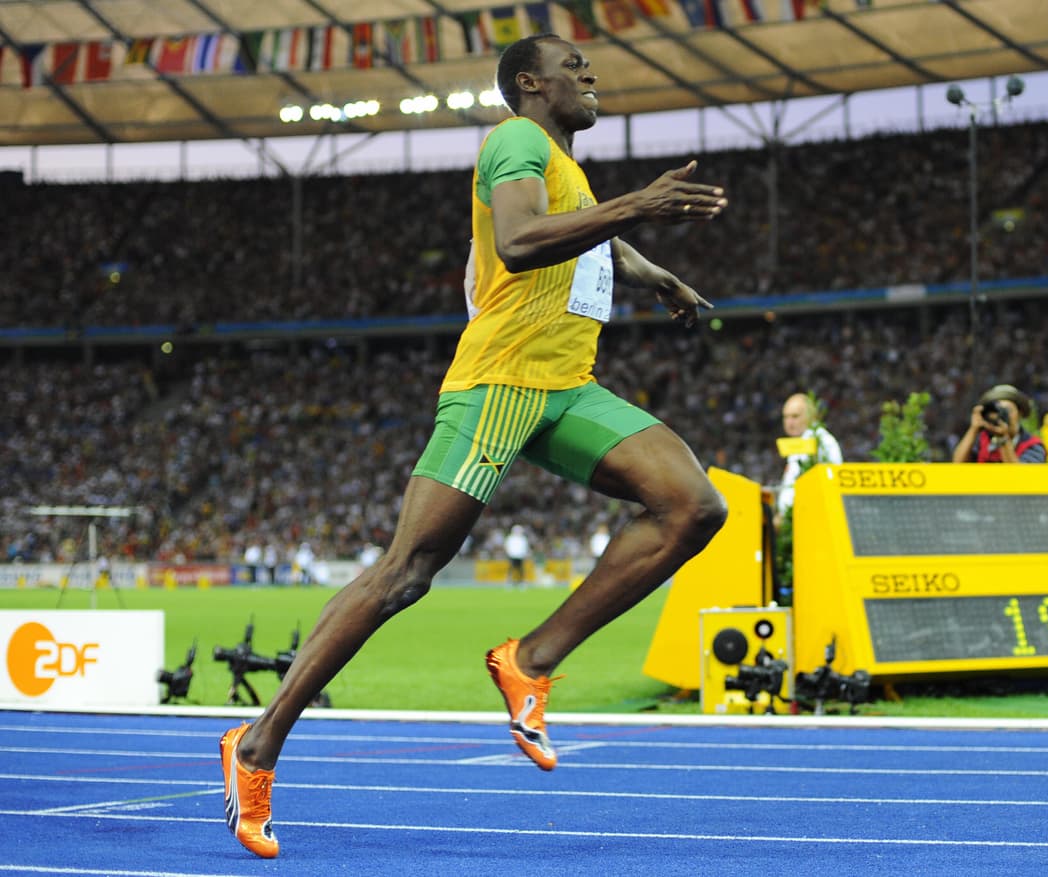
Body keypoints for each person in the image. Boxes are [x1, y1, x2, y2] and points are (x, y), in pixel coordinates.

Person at [218, 33, 729, 859]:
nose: (590, 74)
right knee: (404, 574)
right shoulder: (515, 140)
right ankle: (256, 742)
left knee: (692, 505)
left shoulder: (561, 164)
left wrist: (654, 272)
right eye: (572, 67)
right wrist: (638, 203)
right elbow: (521, 240)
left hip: (567, 388)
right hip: (501, 382)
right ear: (530, 84)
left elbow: (587, 237)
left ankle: (530, 659)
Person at [775, 393, 843, 522]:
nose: (789, 422)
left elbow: (830, 483)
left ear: (810, 416)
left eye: (795, 416)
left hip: (812, 517)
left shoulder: (822, 441)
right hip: (795, 518)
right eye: (786, 417)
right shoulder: (801, 442)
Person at [952, 383, 1047, 464]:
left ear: (1020, 413)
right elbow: (958, 465)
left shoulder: (1033, 445)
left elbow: (1021, 477)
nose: (1001, 415)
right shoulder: (982, 440)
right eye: (997, 410)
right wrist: (973, 429)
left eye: (1008, 410)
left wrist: (1002, 439)